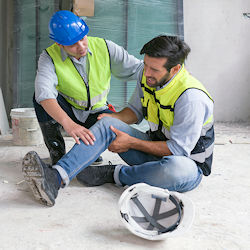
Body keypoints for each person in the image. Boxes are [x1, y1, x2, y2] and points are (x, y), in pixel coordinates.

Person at [22, 35, 214, 207]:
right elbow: (135, 112)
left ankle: (114, 174)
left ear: (175, 69)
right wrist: (111, 121)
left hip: (187, 165)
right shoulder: (148, 77)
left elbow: (179, 150)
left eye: (154, 69)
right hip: (153, 148)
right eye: (145, 65)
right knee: (108, 124)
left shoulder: (191, 98)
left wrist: (131, 142)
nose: (146, 72)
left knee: (176, 170)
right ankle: (55, 177)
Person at [33, 10, 143, 166]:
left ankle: (90, 150)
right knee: (40, 99)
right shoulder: (49, 57)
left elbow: (139, 69)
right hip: (69, 111)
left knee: (115, 132)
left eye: (82, 39)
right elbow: (44, 94)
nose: (81, 47)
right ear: (59, 44)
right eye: (72, 44)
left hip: (98, 113)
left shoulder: (105, 47)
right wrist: (68, 124)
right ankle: (57, 152)